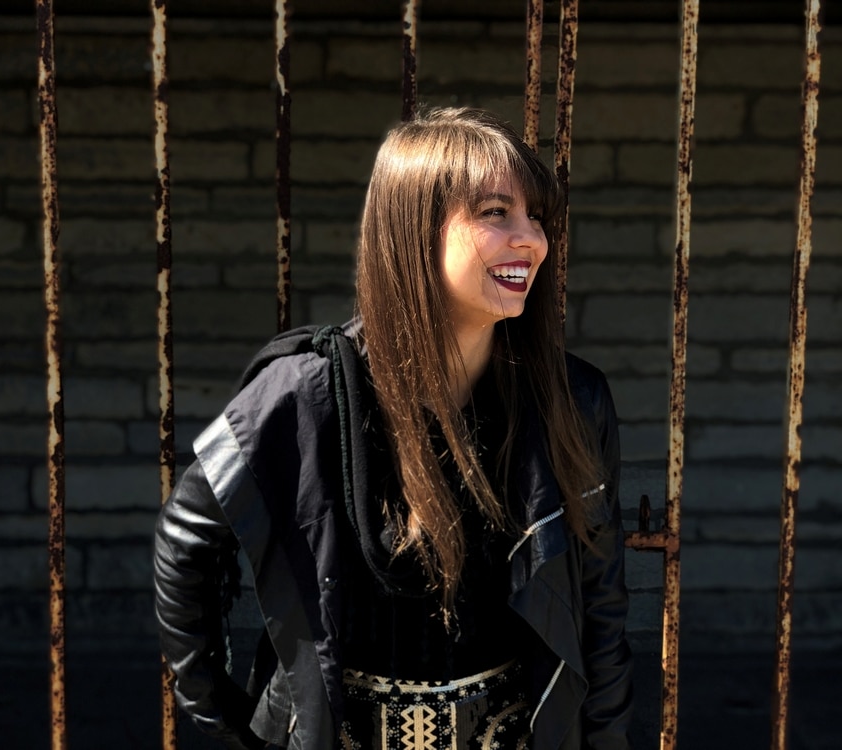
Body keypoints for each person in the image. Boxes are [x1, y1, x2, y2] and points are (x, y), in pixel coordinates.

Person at [154, 107, 633, 750]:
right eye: (496, 212)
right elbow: (186, 541)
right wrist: (224, 715)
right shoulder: (304, 393)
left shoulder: (572, 401)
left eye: (537, 216)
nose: (532, 240)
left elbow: (600, 612)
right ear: (414, 229)